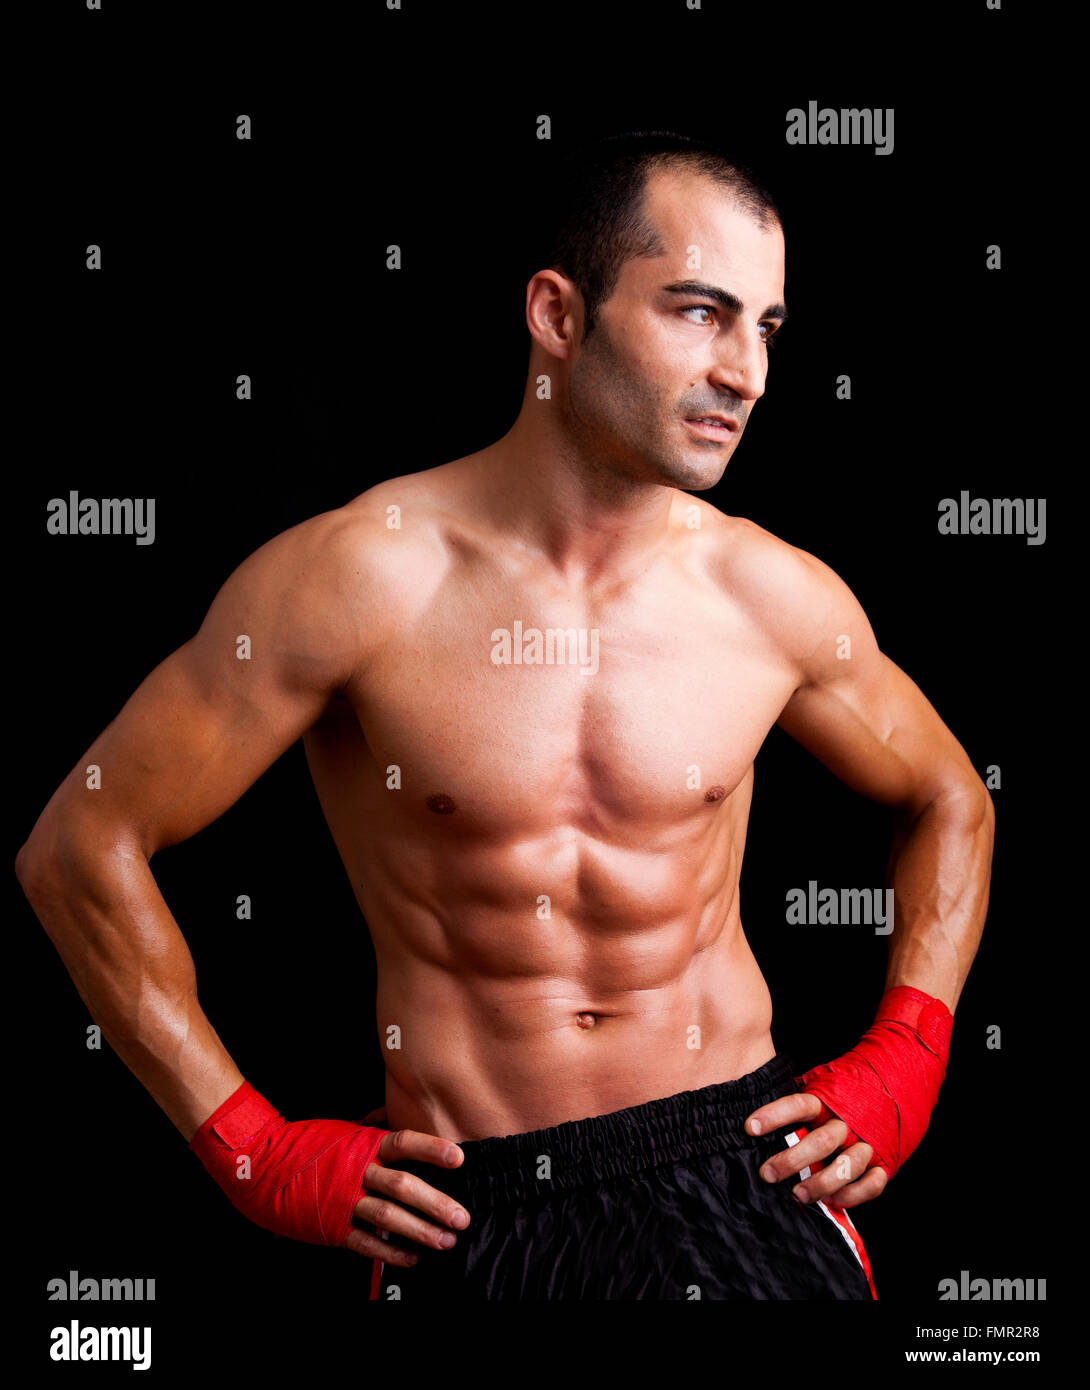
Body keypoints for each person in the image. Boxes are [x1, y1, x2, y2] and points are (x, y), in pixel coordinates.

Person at [16, 131, 994, 1300]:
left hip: (746, 1174)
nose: (747, 371)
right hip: (471, 1209)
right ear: (556, 314)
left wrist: (908, 1059)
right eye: (698, 312)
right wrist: (252, 1147)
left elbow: (951, 797)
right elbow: (80, 844)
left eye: (767, 327)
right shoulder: (360, 579)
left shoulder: (771, 594)